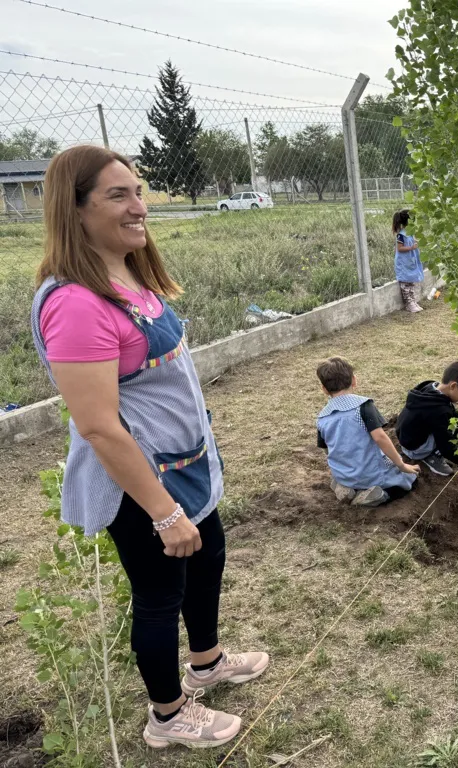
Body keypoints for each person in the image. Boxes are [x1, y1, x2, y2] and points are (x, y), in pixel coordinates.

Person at [30, 146, 269, 750]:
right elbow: (100, 428)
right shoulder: (76, 304)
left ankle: (208, 661)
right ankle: (167, 715)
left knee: (208, 553)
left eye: (138, 192)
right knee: (160, 594)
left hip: (185, 462)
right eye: (118, 196)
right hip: (142, 481)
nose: (139, 207)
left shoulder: (129, 272)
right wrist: (162, 512)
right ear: (75, 209)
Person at [316, 357, 420, 507]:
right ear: (354, 380)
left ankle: (344, 487)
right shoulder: (363, 406)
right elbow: (380, 437)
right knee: (409, 481)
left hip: (342, 474)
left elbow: (327, 449)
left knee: (348, 477)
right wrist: (401, 465)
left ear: (324, 389)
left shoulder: (322, 418)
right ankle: (375, 496)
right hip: (371, 475)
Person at [396, 360, 458, 477]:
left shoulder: (431, 388)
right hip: (415, 448)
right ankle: (431, 456)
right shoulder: (438, 411)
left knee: (448, 425)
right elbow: (447, 448)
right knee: (445, 434)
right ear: (453, 386)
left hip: (405, 435)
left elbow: (451, 410)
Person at [393, 209, 424, 313]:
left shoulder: (410, 233)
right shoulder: (401, 235)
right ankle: (408, 303)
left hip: (410, 261)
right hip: (404, 262)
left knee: (411, 282)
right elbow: (400, 248)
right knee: (405, 282)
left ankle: (413, 301)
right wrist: (411, 247)